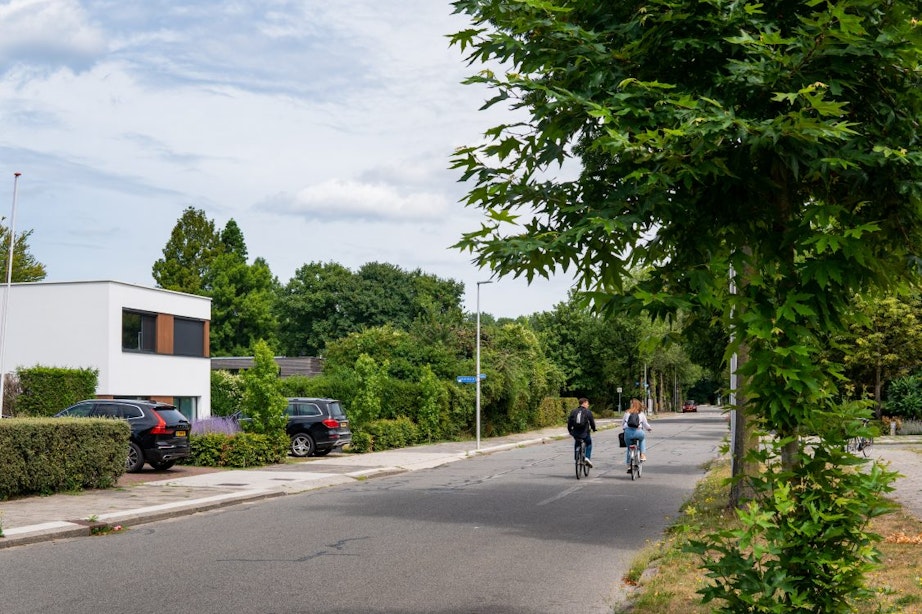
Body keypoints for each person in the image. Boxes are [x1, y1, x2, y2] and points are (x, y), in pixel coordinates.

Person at [622, 398, 652, 471]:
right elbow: (645, 424)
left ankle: (629, 465)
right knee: (642, 439)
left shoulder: (627, 413)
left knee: (629, 448)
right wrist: (649, 428)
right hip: (638, 432)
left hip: (628, 432)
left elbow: (623, 424)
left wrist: (625, 428)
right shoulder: (641, 413)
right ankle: (642, 455)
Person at [567, 397, 597, 467]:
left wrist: (570, 431)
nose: (588, 405)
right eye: (587, 403)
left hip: (576, 433)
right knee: (589, 443)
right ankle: (587, 458)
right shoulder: (588, 412)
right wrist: (594, 428)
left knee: (577, 443)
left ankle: (576, 458)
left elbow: (569, 422)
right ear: (584, 403)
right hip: (585, 433)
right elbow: (592, 422)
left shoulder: (573, 411)